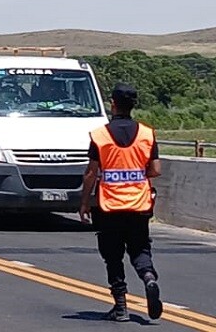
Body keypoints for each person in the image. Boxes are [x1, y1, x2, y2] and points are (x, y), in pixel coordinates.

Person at [80, 83, 164, 322]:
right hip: (139, 204)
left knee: (113, 255)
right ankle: (148, 277)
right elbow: (156, 170)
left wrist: (84, 202)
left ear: (113, 104)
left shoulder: (101, 135)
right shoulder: (147, 134)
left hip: (109, 206)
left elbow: (91, 173)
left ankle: (120, 307)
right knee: (139, 249)